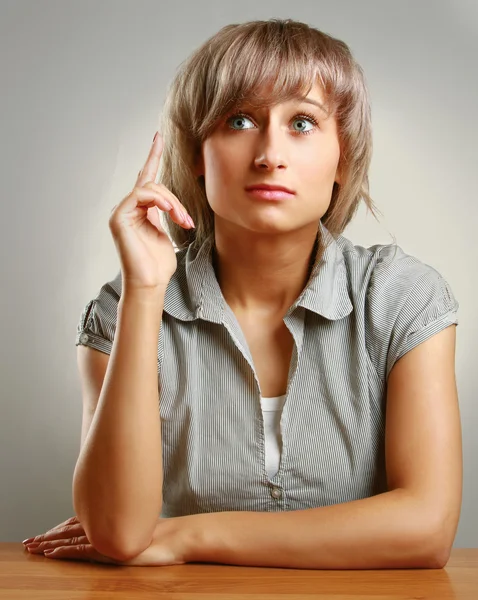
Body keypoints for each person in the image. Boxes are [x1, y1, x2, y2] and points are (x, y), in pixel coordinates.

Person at [23, 18, 462, 570]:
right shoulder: (123, 308)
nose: (269, 153)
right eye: (239, 120)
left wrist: (185, 536)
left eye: (302, 122)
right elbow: (117, 531)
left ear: (341, 160)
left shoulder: (402, 296)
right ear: (197, 155)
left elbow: (425, 530)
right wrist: (144, 291)